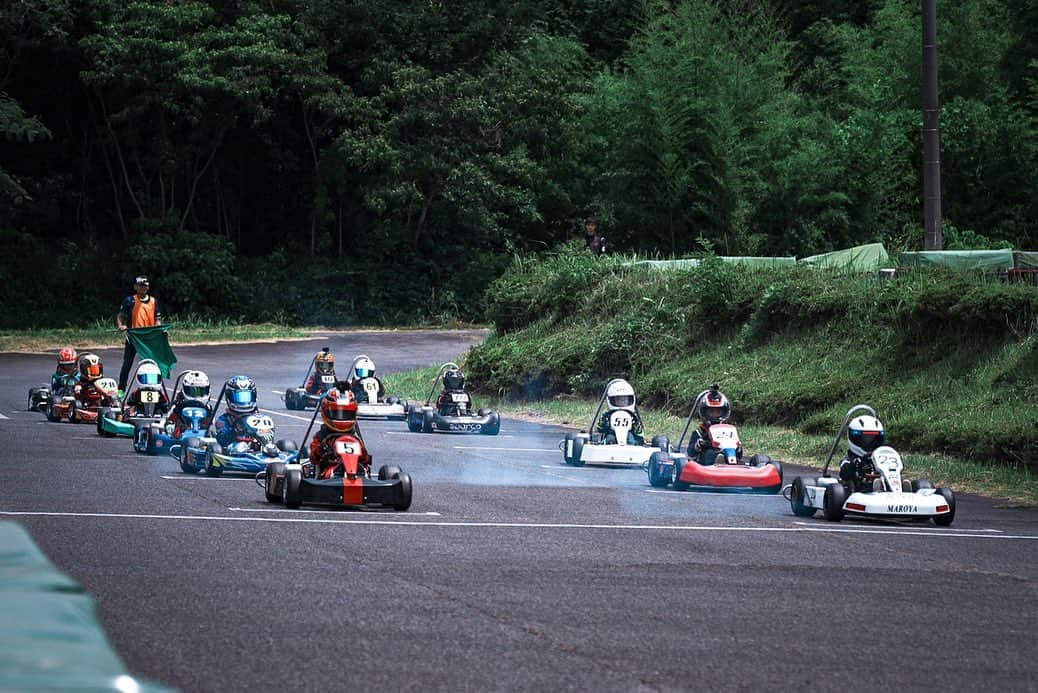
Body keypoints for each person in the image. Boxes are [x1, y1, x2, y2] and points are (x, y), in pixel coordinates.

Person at [308, 388, 371, 480]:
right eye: (336, 413)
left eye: (346, 414)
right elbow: (314, 458)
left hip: (356, 471)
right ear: (326, 412)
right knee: (329, 473)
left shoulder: (355, 437)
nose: (341, 418)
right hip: (328, 472)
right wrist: (323, 451)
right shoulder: (321, 436)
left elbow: (365, 460)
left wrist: (362, 454)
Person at [116, 276, 162, 394]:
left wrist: (159, 329)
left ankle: (154, 389)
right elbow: (120, 316)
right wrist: (121, 325)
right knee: (127, 364)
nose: (143, 288)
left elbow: (157, 320)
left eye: (145, 285)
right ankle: (121, 390)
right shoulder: (130, 300)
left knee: (152, 365)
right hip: (134, 338)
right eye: (140, 285)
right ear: (135, 287)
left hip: (148, 339)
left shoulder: (153, 301)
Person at [686, 384, 737, 464]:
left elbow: (737, 447)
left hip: (727, 456)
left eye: (718, 412)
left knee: (732, 453)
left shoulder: (729, 431)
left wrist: (738, 449)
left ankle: (728, 464)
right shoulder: (699, 432)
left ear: (724, 412)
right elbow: (690, 453)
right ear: (704, 412)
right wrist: (698, 445)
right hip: (704, 463)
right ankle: (718, 462)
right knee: (710, 453)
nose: (715, 415)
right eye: (712, 412)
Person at [839, 415, 886, 492]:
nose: (869, 442)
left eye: (872, 439)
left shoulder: (881, 459)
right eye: (866, 438)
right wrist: (859, 467)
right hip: (859, 491)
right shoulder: (848, 460)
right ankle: (877, 487)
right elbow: (844, 472)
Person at [212, 375, 259, 448]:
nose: (244, 401)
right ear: (230, 397)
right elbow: (222, 440)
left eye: (246, 396)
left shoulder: (257, 418)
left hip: (255, 449)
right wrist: (235, 432)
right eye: (239, 397)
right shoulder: (224, 419)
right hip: (234, 451)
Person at [595, 379, 644, 445]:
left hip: (628, 435)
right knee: (610, 439)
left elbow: (639, 432)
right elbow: (599, 428)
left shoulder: (633, 417)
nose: (622, 402)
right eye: (619, 400)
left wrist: (639, 439)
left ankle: (630, 448)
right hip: (611, 434)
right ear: (611, 400)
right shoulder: (607, 416)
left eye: (624, 400)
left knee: (631, 440)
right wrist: (605, 425)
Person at [167, 370, 212, 437]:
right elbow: (169, 423)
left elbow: (212, 426)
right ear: (184, 389)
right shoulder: (177, 407)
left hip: (201, 440)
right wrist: (178, 427)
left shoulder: (208, 409)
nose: (197, 396)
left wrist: (204, 427)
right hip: (179, 440)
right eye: (193, 392)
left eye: (201, 392)